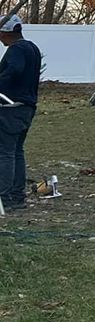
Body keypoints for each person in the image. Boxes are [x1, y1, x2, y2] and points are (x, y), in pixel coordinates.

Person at [0, 12, 41, 213]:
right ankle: (17, 196)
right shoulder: (32, 48)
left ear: (6, 32)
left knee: (5, 153)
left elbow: (14, 70)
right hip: (27, 107)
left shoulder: (16, 50)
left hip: (11, 108)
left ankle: (4, 197)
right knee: (17, 151)